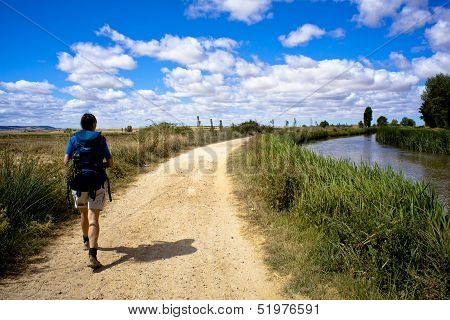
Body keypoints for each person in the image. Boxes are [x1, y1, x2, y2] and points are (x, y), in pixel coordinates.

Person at [64, 113, 113, 269]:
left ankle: (85, 240)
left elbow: (65, 161)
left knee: (83, 213)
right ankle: (92, 255)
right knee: (94, 218)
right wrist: (99, 167)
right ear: (94, 124)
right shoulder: (100, 139)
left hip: (78, 184)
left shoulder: (73, 139)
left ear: (81, 124)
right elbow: (110, 163)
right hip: (96, 182)